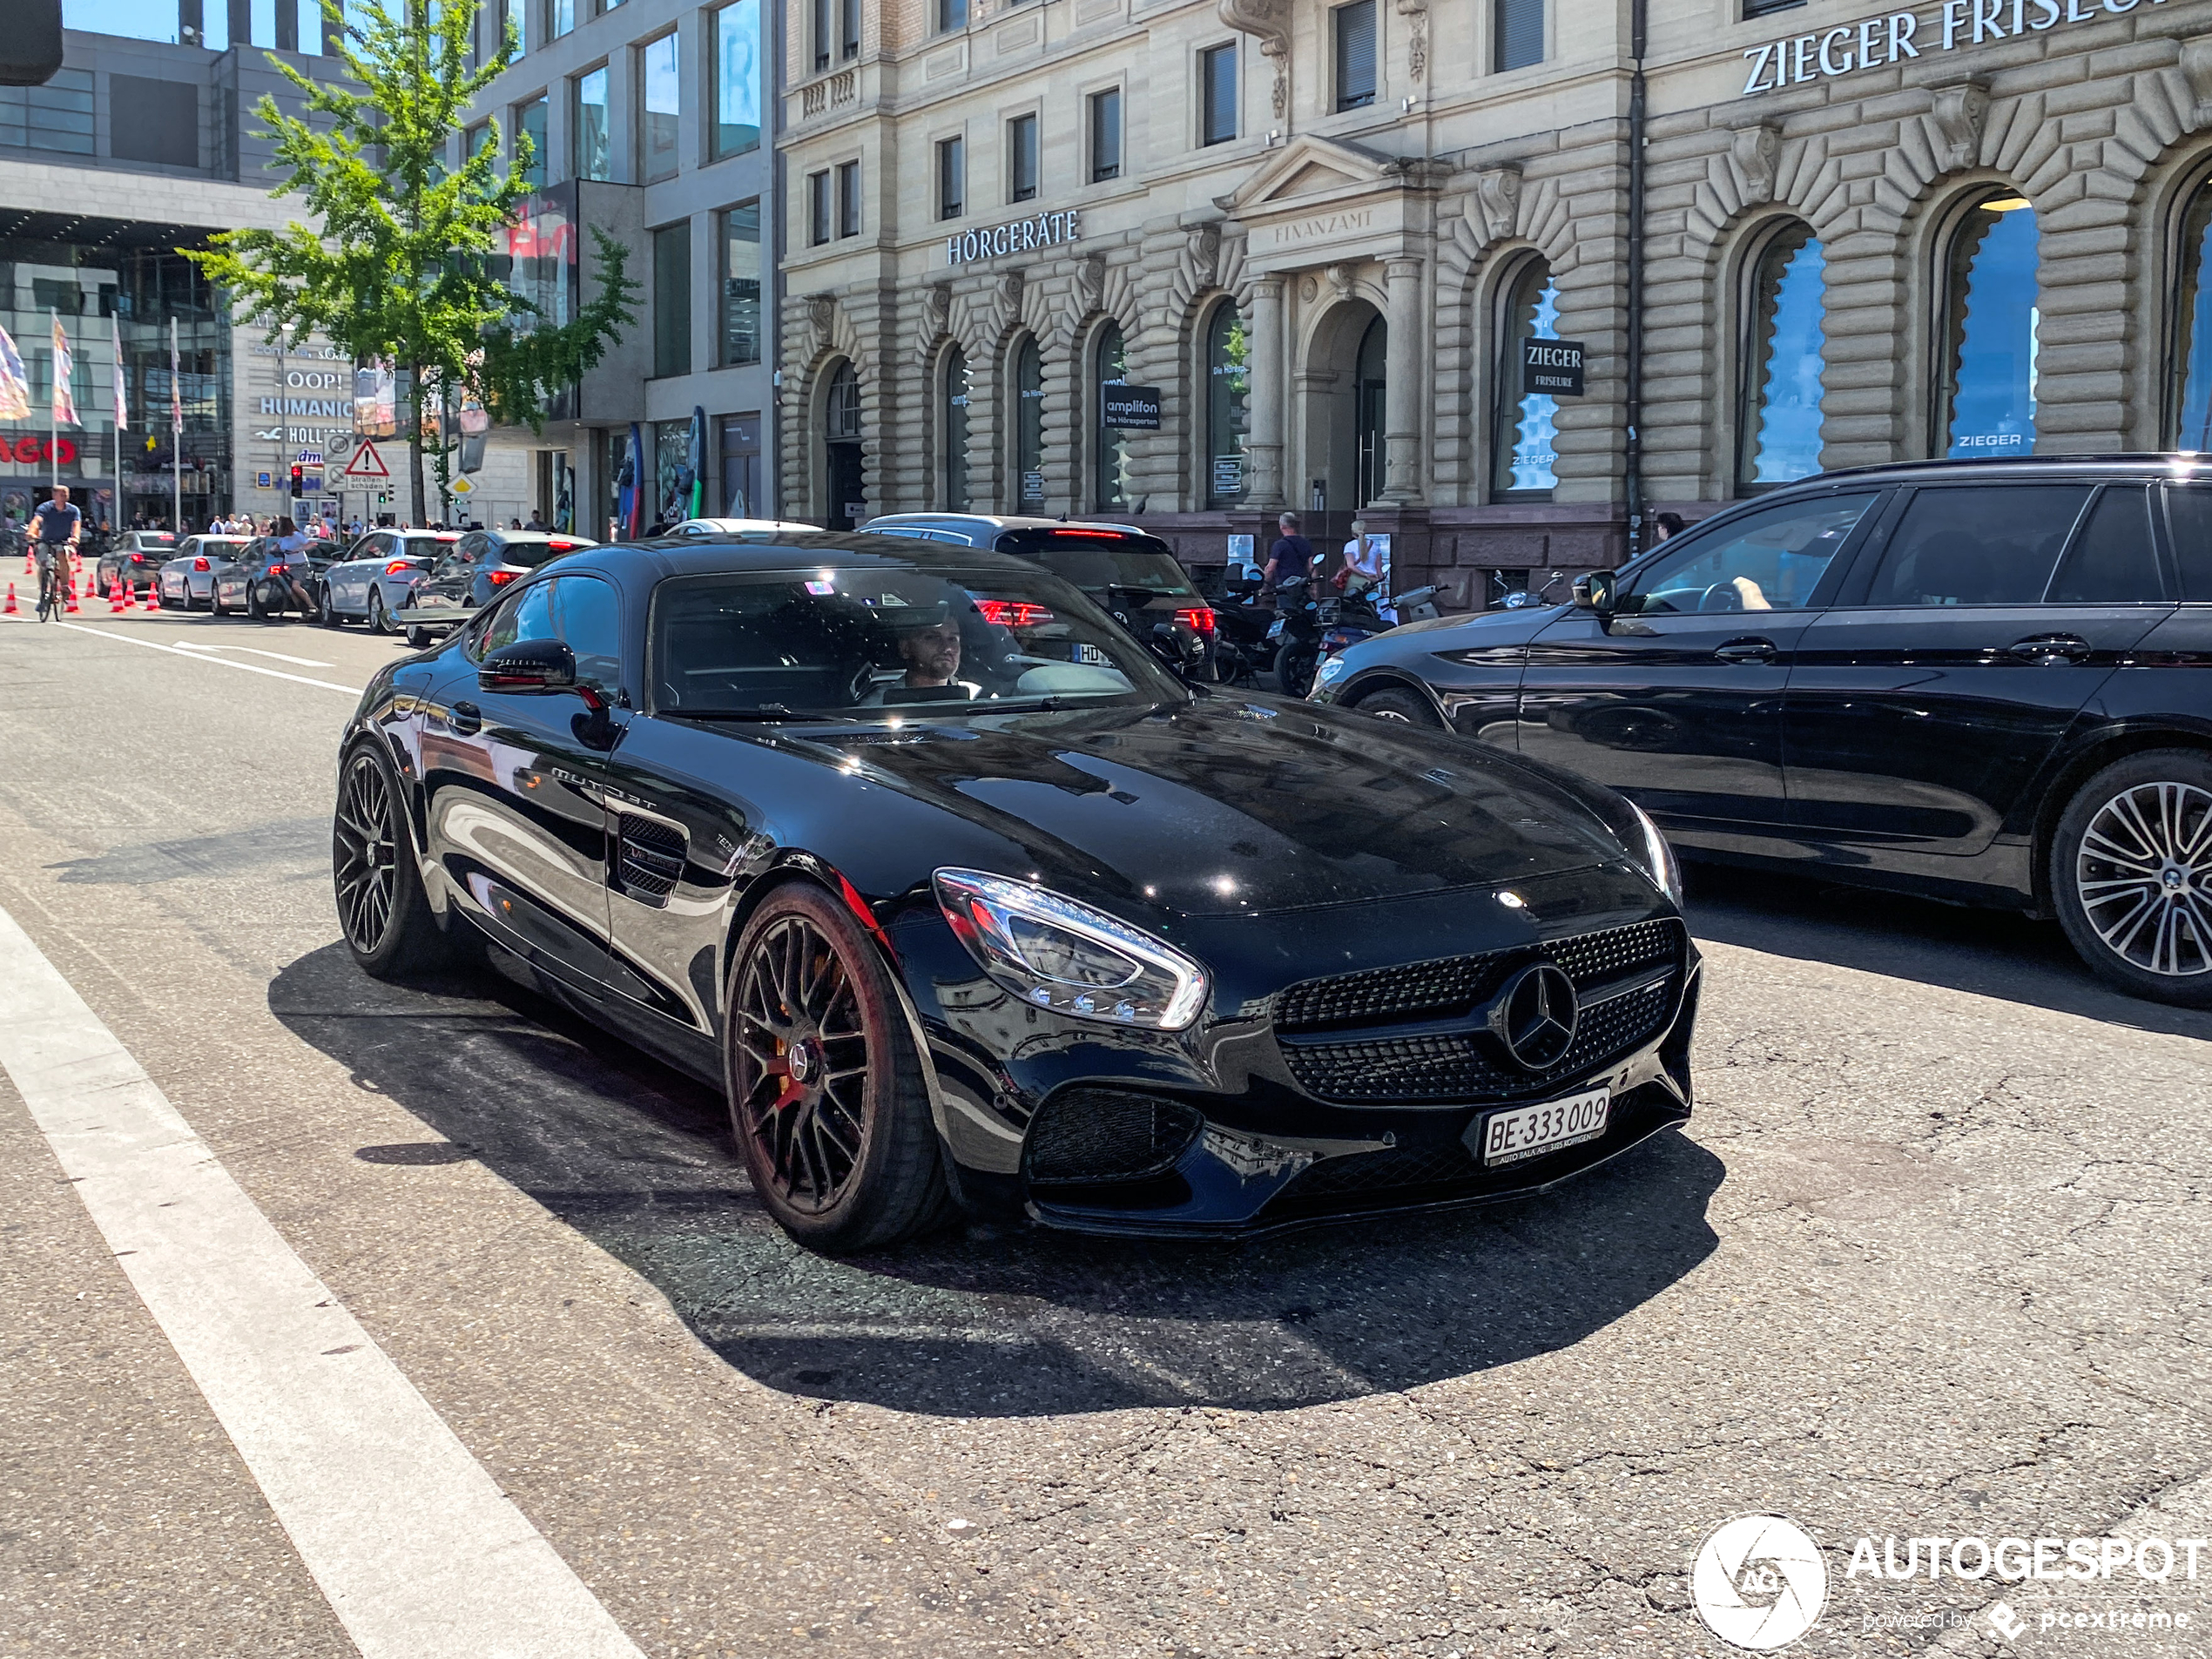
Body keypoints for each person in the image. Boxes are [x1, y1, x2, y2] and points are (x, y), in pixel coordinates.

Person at [31, 484, 82, 617]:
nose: (65, 497)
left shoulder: (73, 510)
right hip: (46, 540)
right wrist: (31, 532)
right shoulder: (45, 508)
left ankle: (64, 586)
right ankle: (43, 592)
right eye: (62, 494)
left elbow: (76, 525)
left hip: (64, 541)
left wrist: (75, 537)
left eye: (66, 494)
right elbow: (37, 521)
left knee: (62, 555)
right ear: (54, 496)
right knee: (43, 563)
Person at [1262, 512, 1313, 595]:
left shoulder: (1279, 545)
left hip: (1284, 586)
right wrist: (1314, 588)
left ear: (1282, 526)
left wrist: (1264, 585)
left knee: (1285, 606)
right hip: (1302, 584)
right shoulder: (1305, 543)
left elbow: (1270, 568)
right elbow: (1311, 567)